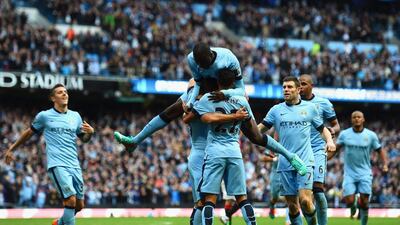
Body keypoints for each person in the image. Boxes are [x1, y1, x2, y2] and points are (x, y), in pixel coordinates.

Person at [184, 69, 306, 225]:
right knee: (242, 198)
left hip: (214, 151)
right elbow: (255, 133)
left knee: (209, 199)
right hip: (235, 151)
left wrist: (191, 101)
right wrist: (236, 116)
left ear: (218, 82)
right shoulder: (242, 101)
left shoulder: (208, 98)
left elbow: (195, 118)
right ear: (233, 83)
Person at [114, 42, 245, 151]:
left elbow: (242, 89)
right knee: (172, 111)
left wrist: (225, 94)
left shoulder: (229, 58)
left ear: (211, 55)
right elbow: (198, 83)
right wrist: (190, 103)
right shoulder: (191, 59)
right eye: (200, 65)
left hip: (222, 94)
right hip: (203, 90)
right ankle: (135, 141)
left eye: (205, 64)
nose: (202, 67)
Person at [3, 83, 94, 225]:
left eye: (65, 92)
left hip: (74, 165)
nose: (64, 94)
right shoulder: (44, 116)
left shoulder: (75, 116)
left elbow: (84, 139)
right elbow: (28, 133)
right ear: (53, 98)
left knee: (79, 205)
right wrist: (12, 149)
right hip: (57, 164)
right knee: (70, 199)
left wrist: (90, 134)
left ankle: (60, 222)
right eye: (60, 92)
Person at [258, 76, 336, 225]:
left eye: (290, 87)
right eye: (284, 87)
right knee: (293, 207)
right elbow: (260, 129)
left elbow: (323, 129)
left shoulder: (310, 109)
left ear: (298, 89)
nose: (286, 90)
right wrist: (244, 130)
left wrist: (330, 141)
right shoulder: (276, 110)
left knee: (305, 201)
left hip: (305, 161)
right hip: (285, 163)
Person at [330, 111, 388, 225]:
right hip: (349, 173)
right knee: (349, 201)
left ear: (363, 120)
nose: (356, 119)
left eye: (359, 117)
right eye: (354, 117)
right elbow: (336, 149)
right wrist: (326, 158)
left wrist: (385, 164)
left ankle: (363, 223)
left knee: (365, 202)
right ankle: (354, 206)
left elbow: (380, 150)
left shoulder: (371, 135)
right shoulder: (344, 134)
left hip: (365, 172)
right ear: (351, 120)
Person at [299, 74, 340, 225]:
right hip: (298, 152)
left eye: (303, 84)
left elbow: (336, 125)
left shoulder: (323, 103)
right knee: (303, 197)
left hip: (317, 150)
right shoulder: (292, 104)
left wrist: (332, 131)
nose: (300, 87)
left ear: (311, 85)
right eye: (299, 84)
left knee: (318, 191)